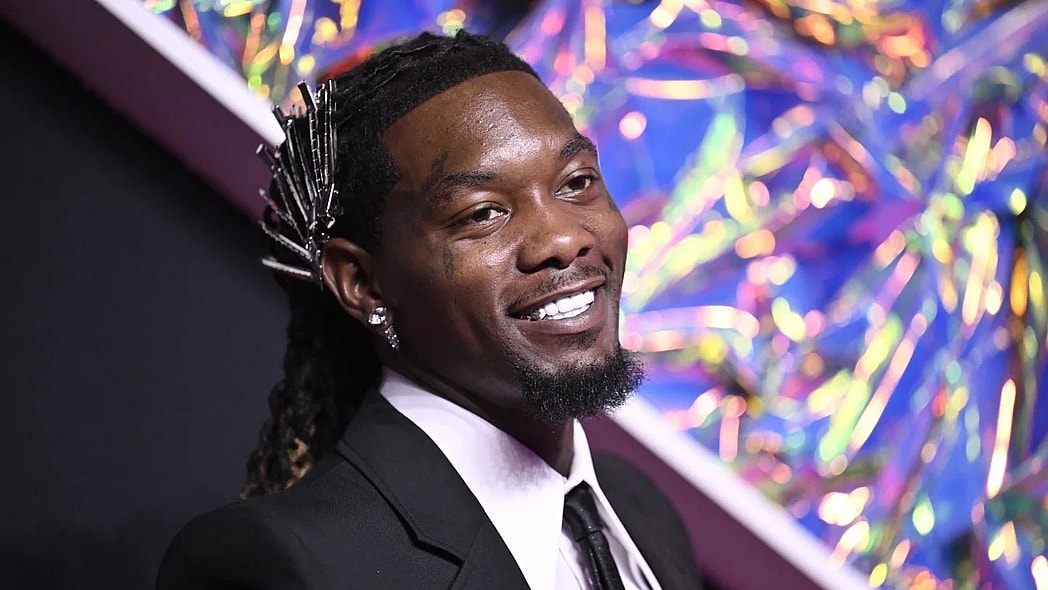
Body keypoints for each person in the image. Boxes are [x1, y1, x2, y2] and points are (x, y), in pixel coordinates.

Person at [157, 30, 705, 590]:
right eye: (483, 213)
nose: (563, 238)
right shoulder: (283, 566)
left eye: (577, 182)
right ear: (363, 283)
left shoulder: (637, 511)